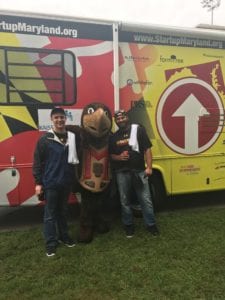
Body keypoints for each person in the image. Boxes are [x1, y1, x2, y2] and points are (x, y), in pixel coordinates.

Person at [33, 107, 79, 257]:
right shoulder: (45, 140)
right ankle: (51, 243)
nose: (59, 120)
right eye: (56, 118)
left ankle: (64, 237)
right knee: (50, 215)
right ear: (52, 120)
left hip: (66, 182)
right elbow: (38, 163)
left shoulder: (71, 138)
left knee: (63, 212)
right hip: (51, 183)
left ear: (65, 119)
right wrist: (38, 183)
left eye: (62, 117)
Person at [109, 109, 159, 238]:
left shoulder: (138, 130)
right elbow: (111, 156)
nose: (120, 120)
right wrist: (119, 157)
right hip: (122, 173)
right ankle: (128, 225)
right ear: (116, 121)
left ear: (127, 118)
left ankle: (151, 225)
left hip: (139, 171)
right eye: (118, 119)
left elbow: (147, 149)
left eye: (122, 117)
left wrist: (149, 167)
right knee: (124, 201)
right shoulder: (113, 137)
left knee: (145, 200)